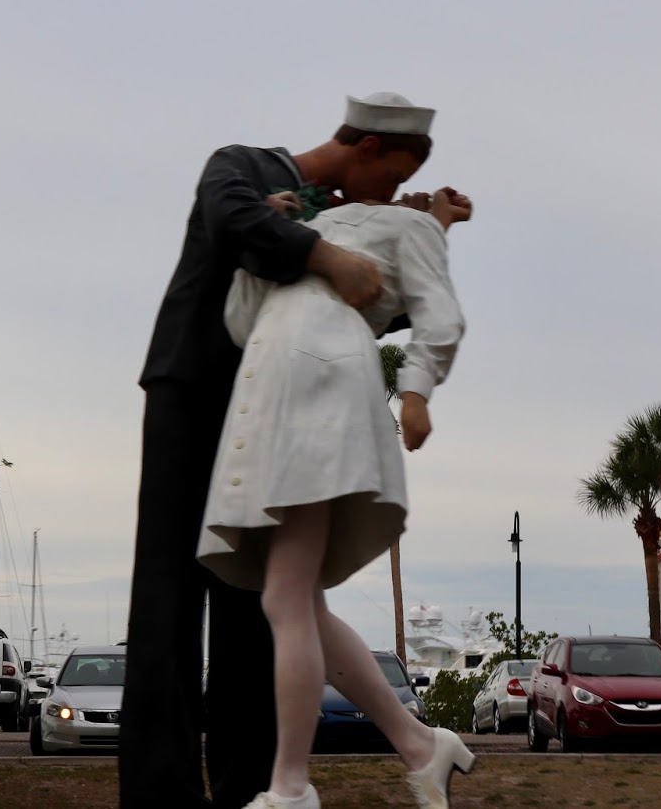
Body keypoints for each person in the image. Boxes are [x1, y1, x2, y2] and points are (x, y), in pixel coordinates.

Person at [120, 93, 453, 809]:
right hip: (191, 391)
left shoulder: (341, 214)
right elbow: (233, 222)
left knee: (258, 609)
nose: (391, 194)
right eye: (392, 179)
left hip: (276, 408)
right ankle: (162, 795)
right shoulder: (240, 166)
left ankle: (251, 788)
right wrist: (326, 251)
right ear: (365, 149)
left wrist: (415, 232)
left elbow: (359, 308)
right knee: (167, 599)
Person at [196, 175, 473, 809]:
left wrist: (416, 390)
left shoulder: (400, 229)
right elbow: (243, 321)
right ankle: (418, 745)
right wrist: (265, 240)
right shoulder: (303, 233)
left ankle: (291, 786)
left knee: (286, 599)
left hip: (320, 406)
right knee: (301, 606)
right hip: (274, 409)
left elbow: (435, 310)